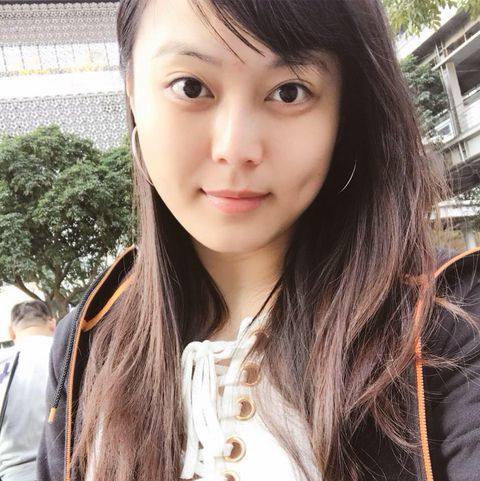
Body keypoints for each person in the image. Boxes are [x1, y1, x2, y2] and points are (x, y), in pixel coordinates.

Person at [37, 0, 480, 480]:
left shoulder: (450, 317)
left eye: (289, 92)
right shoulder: (90, 338)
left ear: (345, 110)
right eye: (190, 86)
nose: (236, 148)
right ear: (132, 92)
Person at [0, 300, 55, 481]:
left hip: (13, 473)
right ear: (53, 324)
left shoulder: (3, 361)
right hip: (67, 468)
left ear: (11, 332)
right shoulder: (66, 352)